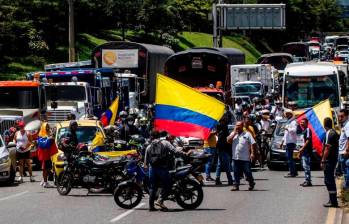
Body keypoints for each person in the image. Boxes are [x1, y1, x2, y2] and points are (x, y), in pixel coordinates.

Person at [144, 130, 188, 211]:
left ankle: (151, 207)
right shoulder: (165, 143)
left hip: (152, 169)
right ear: (159, 136)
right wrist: (185, 154)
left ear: (151, 137)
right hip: (162, 169)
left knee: (153, 188)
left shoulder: (148, 146)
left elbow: (146, 163)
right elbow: (175, 151)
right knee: (168, 185)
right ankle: (160, 200)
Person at [227, 121, 257, 191]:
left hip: (245, 158)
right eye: (236, 125)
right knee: (235, 172)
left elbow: (253, 143)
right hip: (235, 157)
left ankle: (251, 182)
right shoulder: (233, 134)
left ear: (242, 126)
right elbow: (228, 140)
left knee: (247, 172)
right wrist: (234, 133)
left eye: (239, 125)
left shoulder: (247, 134)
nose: (237, 127)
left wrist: (252, 153)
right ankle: (236, 185)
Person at [322, 117, 339, 207]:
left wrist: (323, 160)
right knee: (329, 180)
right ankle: (332, 200)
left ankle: (333, 201)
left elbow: (327, 148)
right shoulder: (333, 132)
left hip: (329, 160)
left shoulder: (330, 133)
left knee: (329, 180)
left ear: (324, 124)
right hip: (332, 159)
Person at [37, 122, 58, 188]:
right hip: (44, 155)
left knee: (48, 168)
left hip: (47, 155)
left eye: (48, 127)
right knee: (45, 169)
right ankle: (45, 182)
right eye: (46, 127)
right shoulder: (42, 136)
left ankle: (44, 180)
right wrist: (50, 138)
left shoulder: (45, 135)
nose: (48, 128)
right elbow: (45, 145)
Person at [215, 117, 234, 185]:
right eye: (222, 121)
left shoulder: (222, 128)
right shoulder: (222, 128)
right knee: (226, 165)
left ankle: (217, 178)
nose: (223, 122)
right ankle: (230, 179)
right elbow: (223, 140)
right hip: (222, 148)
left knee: (220, 164)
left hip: (221, 148)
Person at [282, 109, 299, 177]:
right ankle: (293, 171)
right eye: (286, 114)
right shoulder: (288, 122)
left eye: (288, 114)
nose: (287, 115)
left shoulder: (293, 122)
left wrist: (287, 129)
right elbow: (285, 134)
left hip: (291, 142)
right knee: (289, 157)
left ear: (291, 114)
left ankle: (293, 172)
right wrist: (283, 141)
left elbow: (294, 130)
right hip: (288, 142)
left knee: (289, 158)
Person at [298, 118, 313, 187]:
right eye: (301, 122)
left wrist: (302, 149)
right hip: (303, 151)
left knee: (306, 166)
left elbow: (308, 140)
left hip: (306, 151)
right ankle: (306, 180)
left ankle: (308, 181)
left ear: (307, 123)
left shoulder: (307, 130)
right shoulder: (303, 130)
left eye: (303, 122)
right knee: (304, 166)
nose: (301, 123)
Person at [338, 109, 349, 189]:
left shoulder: (347, 125)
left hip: (344, 152)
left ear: (346, 116)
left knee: (346, 170)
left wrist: (347, 150)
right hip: (341, 151)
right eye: (339, 116)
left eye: (342, 116)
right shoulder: (344, 125)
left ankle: (347, 186)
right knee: (344, 170)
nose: (340, 118)